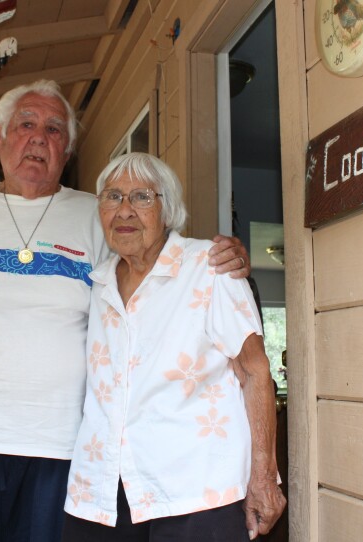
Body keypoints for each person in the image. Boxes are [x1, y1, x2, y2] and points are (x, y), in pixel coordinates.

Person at [0, 80, 251, 541]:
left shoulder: (97, 213)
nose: (39, 138)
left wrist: (225, 254)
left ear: (68, 150)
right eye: (26, 124)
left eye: (54, 129)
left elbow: (158, 255)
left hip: (60, 445)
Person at [61, 153, 286, 541]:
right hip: (102, 492)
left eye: (142, 197)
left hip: (197, 492)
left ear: (169, 210)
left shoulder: (211, 268)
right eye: (112, 197)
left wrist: (264, 477)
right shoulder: (97, 283)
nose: (125, 210)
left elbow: (254, 371)